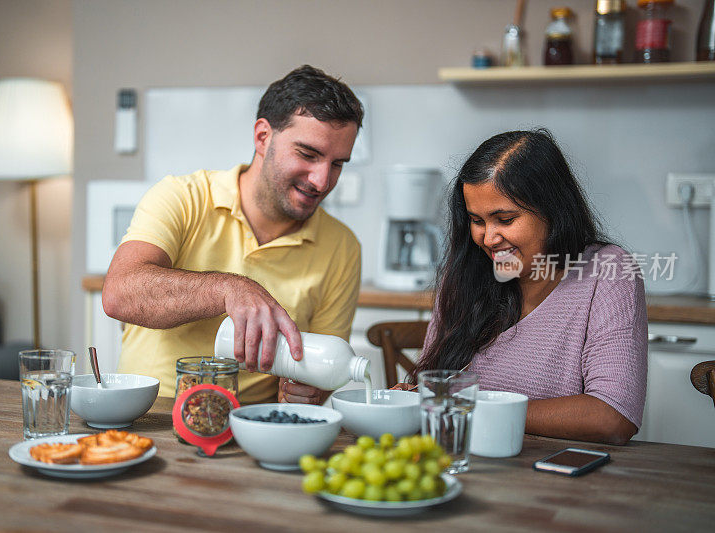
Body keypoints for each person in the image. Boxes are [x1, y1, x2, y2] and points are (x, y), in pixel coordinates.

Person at [102, 65, 364, 405]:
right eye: (307, 154)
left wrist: (310, 388)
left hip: (253, 424)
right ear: (262, 136)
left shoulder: (342, 247)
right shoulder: (183, 197)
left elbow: (323, 367)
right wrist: (229, 288)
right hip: (150, 414)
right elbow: (119, 293)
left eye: (338, 164)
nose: (321, 180)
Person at [405, 130, 647, 445]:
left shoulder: (609, 272)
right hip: (465, 467)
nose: (488, 239)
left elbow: (613, 417)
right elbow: (433, 390)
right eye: (477, 221)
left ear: (552, 210)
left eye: (504, 219)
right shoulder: (466, 272)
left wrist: (468, 405)